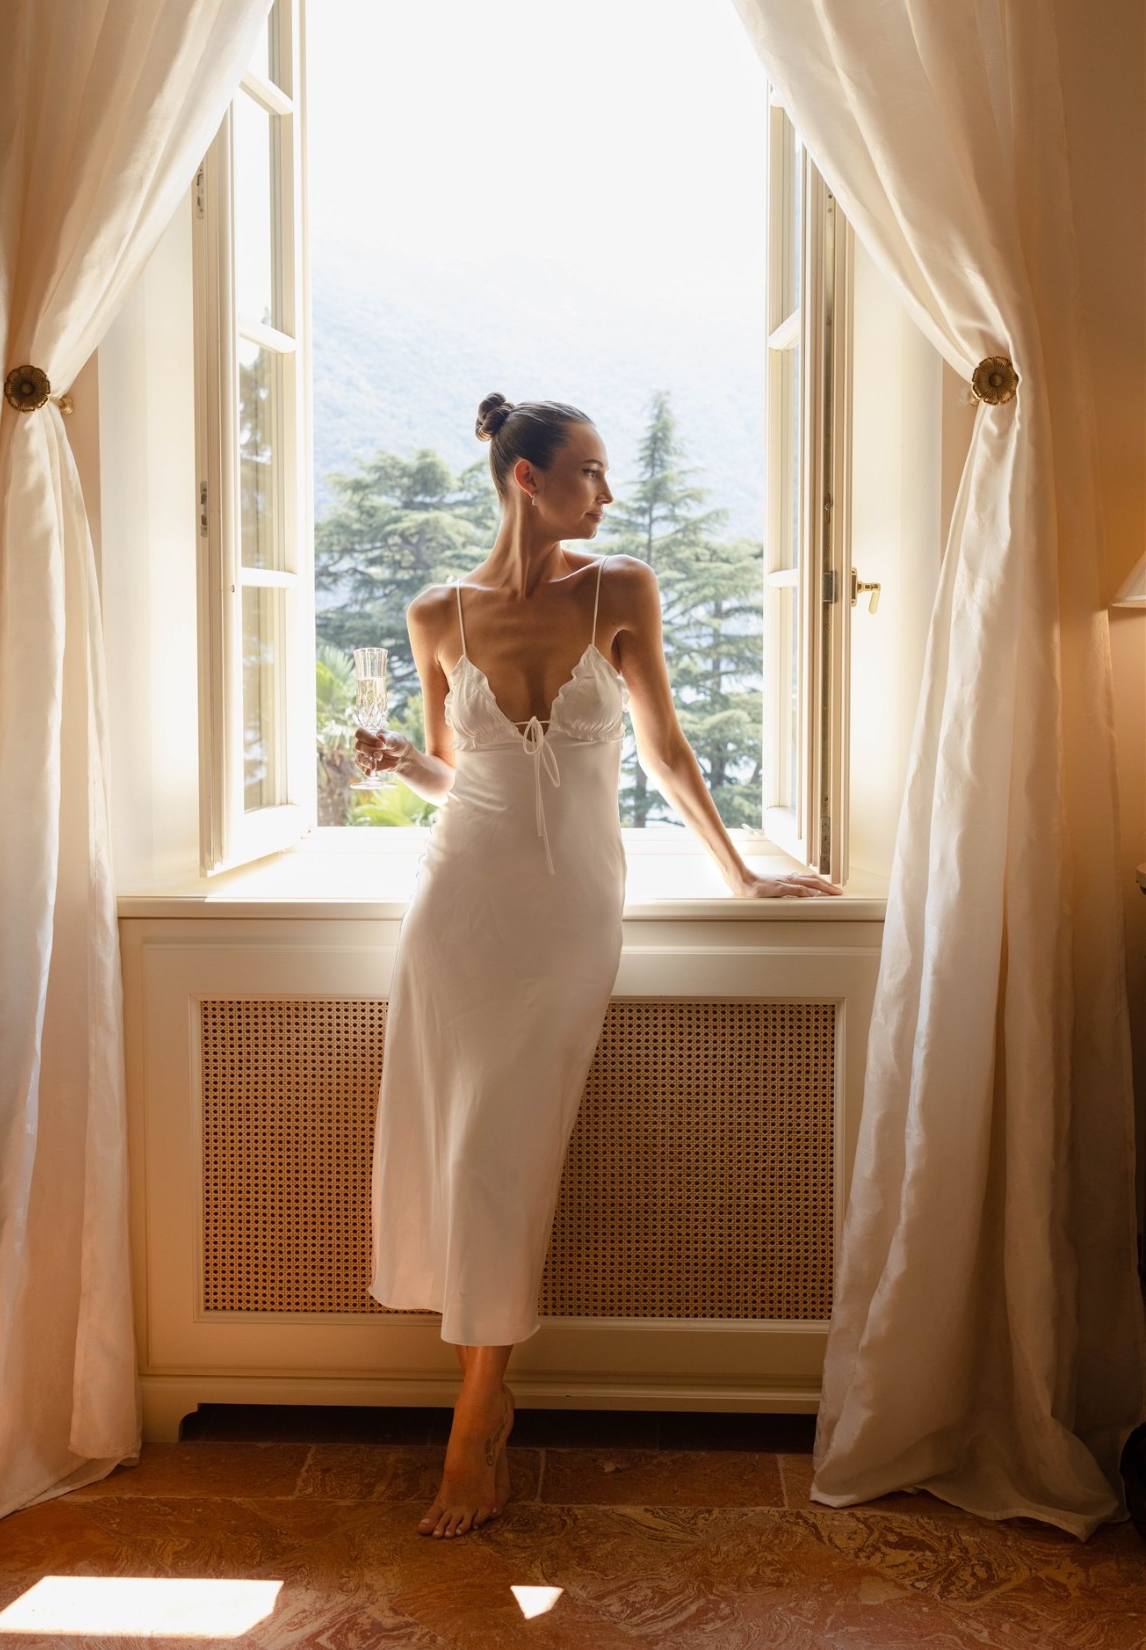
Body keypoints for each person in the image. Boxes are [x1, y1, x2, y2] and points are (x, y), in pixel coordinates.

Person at [354, 392, 839, 1541]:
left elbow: (665, 748)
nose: (606, 494)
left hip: (569, 913)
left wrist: (741, 875)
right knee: (466, 1150)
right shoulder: (437, 614)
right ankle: (484, 1399)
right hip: (457, 907)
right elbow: (456, 775)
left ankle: (476, 1414)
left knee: (504, 1150)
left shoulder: (619, 587)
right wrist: (395, 763)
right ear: (528, 478)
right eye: (588, 472)